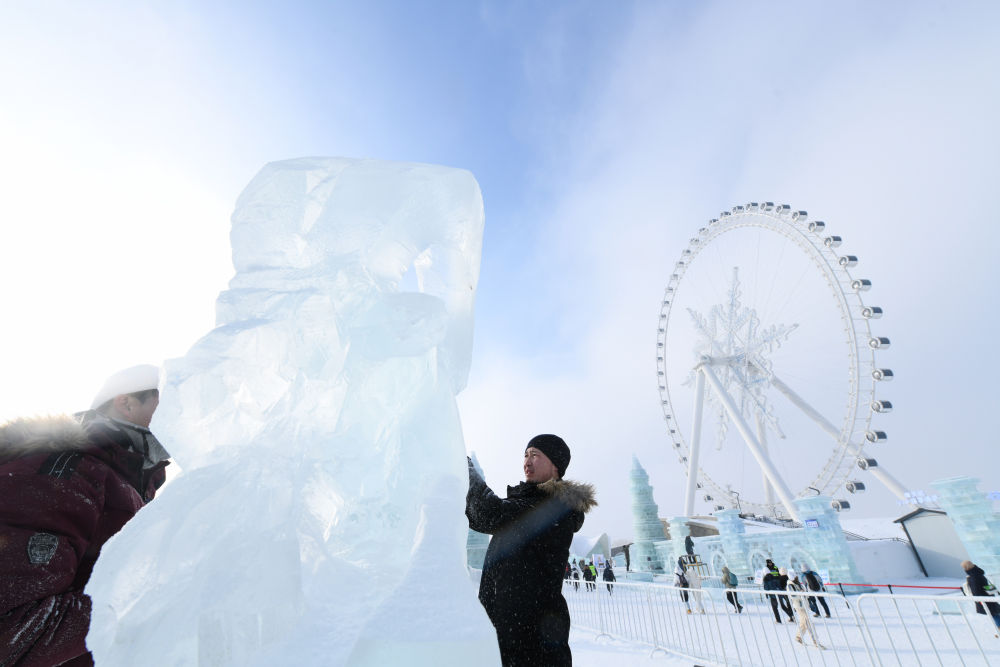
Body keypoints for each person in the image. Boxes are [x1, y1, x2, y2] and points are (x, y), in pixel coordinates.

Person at [0, 364, 171, 666]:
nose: (188, 413)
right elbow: (14, 627)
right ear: (126, 402)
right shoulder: (64, 470)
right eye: (170, 402)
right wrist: (159, 598)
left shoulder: (127, 485)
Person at [466, 434, 596, 666]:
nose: (527, 461)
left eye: (535, 455)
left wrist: (465, 469)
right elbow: (482, 517)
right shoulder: (528, 504)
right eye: (525, 455)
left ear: (555, 466)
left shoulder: (554, 509)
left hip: (532, 642)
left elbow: (490, 512)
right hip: (510, 634)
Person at [787, 571, 825, 648]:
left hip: (803, 605)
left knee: (803, 622)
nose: (797, 577)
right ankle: (815, 641)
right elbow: (793, 596)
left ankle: (798, 637)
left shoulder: (797, 583)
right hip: (799, 606)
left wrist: (804, 594)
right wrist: (801, 593)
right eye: (795, 576)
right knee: (808, 623)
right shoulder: (790, 585)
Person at [962, 560, 1000, 636]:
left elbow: (975, 590)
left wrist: (978, 600)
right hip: (988, 595)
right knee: (995, 612)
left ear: (966, 568)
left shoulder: (972, 577)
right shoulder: (978, 572)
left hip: (983, 598)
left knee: (993, 613)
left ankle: (999, 628)